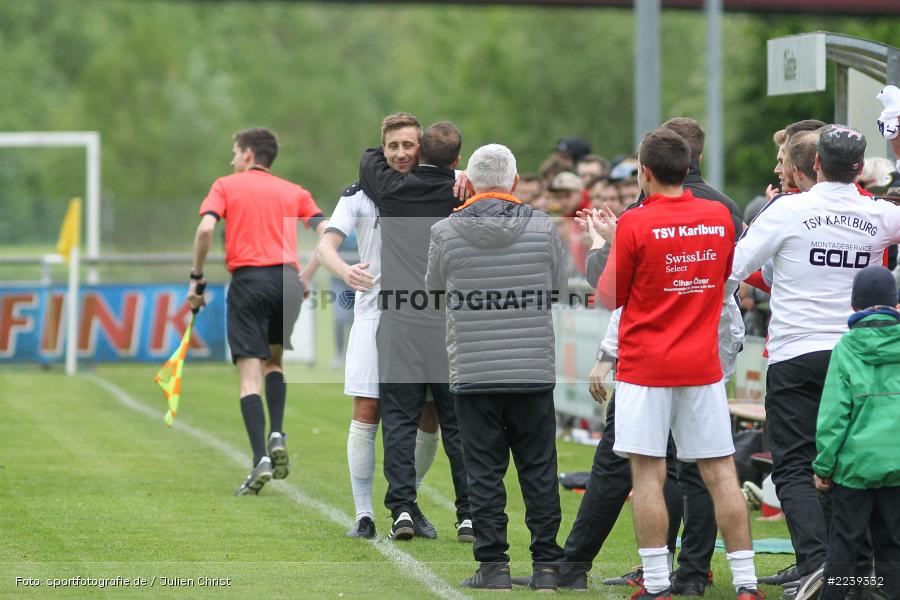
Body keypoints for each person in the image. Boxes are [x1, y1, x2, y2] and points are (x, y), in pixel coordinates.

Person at [726, 125, 900, 593]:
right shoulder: (880, 214)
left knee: (794, 466)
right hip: (857, 356)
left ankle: (820, 562)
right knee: (848, 464)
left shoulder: (787, 210)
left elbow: (734, 267)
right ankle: (847, 566)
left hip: (796, 354)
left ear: (816, 164)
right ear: (860, 169)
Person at [596, 128, 759, 600]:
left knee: (649, 474)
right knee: (720, 473)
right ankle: (746, 584)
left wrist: (607, 244)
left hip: (646, 367)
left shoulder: (635, 222)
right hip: (702, 364)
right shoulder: (716, 216)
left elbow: (609, 295)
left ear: (645, 173)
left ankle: (658, 584)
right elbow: (731, 274)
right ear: (688, 167)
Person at [425, 143, 567, 591]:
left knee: (483, 471)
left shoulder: (445, 230)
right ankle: (547, 565)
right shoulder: (543, 227)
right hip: (531, 368)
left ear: (467, 182)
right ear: (516, 182)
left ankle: (494, 566)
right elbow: (560, 287)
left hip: (474, 369)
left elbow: (433, 291)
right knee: (539, 469)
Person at [315, 113, 443, 539]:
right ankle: (364, 514)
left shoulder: (442, 183)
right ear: (382, 149)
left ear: (421, 147)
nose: (402, 153)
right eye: (394, 147)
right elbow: (326, 244)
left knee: (430, 415)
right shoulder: (359, 195)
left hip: (426, 316)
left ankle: (407, 502)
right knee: (368, 410)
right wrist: (344, 270)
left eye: (409, 145)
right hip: (374, 315)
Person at [188, 127, 327, 496]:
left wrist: (197, 279)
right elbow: (329, 231)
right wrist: (305, 275)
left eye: (235, 152)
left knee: (249, 377)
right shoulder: (294, 191)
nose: (232, 160)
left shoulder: (226, 185)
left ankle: (258, 460)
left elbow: (205, 230)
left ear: (248, 154)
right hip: (287, 283)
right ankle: (277, 432)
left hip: (249, 282)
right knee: (274, 363)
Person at [358, 121, 472, 542]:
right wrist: (464, 180)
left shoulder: (393, 189)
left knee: (401, 421)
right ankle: (469, 516)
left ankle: (402, 509)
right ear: (457, 161)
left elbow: (369, 158)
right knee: (457, 424)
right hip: (449, 324)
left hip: (401, 321)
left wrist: (395, 149)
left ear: (419, 152)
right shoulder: (464, 196)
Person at [813, 266, 900, 600]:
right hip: (896, 465)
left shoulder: (846, 349)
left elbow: (834, 415)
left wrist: (824, 466)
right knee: (892, 543)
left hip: (855, 467)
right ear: (895, 304)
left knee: (844, 545)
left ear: (854, 306)